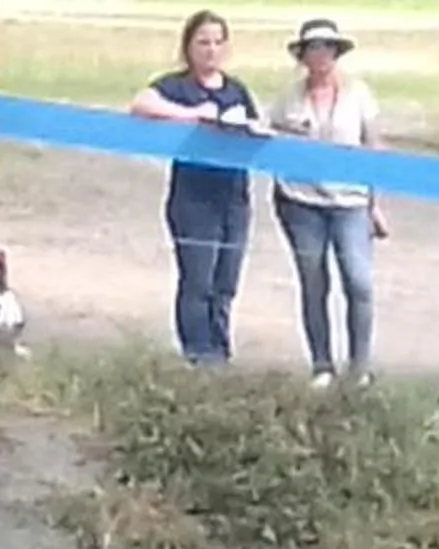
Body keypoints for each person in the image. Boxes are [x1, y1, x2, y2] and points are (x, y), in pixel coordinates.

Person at [128, 8, 267, 365]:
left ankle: (219, 350)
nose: (211, 49)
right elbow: (141, 104)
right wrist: (192, 114)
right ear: (189, 47)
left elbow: (257, 127)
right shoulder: (178, 86)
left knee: (226, 282)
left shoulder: (236, 90)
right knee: (198, 280)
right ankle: (198, 353)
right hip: (193, 200)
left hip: (234, 198)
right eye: (202, 42)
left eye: (218, 42)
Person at [269, 16, 383, 388]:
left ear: (337, 53)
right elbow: (274, 145)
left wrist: (375, 203)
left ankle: (360, 366)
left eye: (327, 49)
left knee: (359, 281)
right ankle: (322, 365)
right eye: (314, 49)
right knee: (313, 280)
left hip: (350, 201)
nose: (321, 56)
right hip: (301, 201)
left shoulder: (359, 95)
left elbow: (374, 150)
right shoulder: (288, 98)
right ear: (303, 55)